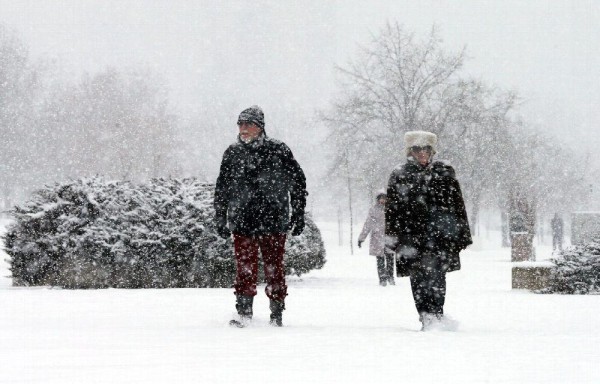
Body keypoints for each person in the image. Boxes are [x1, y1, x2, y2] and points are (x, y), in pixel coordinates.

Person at [214, 105, 307, 328]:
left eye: (249, 124)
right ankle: (244, 311)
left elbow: (297, 182)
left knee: (275, 267)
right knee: (244, 268)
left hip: (273, 219)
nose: (243, 129)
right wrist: (220, 216)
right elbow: (222, 188)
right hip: (242, 219)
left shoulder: (279, 150)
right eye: (240, 124)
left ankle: (277, 313)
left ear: (260, 127)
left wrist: (299, 212)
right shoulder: (232, 153)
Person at [385, 131, 472, 331]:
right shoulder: (400, 174)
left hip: (440, 235)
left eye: (425, 149)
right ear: (411, 151)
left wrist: (462, 234)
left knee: (438, 276)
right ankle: (425, 315)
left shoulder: (445, 171)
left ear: (432, 150)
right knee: (418, 277)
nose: (422, 153)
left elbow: (458, 205)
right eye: (417, 149)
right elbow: (392, 210)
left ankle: (437, 314)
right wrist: (393, 236)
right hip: (411, 237)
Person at [358, 192, 395, 286]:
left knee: (390, 260)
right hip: (377, 239)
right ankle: (382, 279)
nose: (383, 200)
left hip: (390, 238)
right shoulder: (373, 210)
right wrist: (361, 238)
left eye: (384, 198)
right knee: (380, 260)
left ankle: (390, 277)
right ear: (378, 200)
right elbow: (367, 224)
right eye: (381, 198)